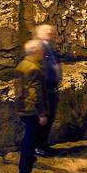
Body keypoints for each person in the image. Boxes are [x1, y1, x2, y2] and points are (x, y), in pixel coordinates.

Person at [14, 39, 50, 173]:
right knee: (30, 142)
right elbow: (35, 94)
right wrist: (41, 113)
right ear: (35, 52)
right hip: (31, 110)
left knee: (28, 140)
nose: (42, 52)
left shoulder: (22, 64)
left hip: (23, 107)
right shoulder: (34, 68)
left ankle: (26, 163)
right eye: (41, 50)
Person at [32, 24, 61, 156]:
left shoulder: (50, 48)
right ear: (40, 33)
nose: (51, 33)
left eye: (52, 32)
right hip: (44, 90)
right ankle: (37, 146)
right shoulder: (38, 48)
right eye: (47, 32)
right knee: (42, 119)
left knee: (49, 118)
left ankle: (43, 144)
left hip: (52, 89)